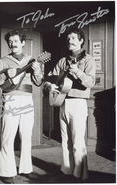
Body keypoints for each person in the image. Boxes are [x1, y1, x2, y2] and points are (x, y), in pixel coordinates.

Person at [0, 29, 44, 183]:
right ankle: (6, 172)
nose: (12, 44)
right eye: (10, 42)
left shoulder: (32, 60)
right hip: (10, 99)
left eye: (16, 41)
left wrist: (38, 70)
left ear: (23, 43)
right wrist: (5, 75)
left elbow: (38, 82)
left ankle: (26, 169)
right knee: (7, 136)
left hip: (27, 100)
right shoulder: (2, 61)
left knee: (26, 137)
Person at [44, 28, 95, 181]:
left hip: (78, 103)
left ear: (81, 41)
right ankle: (67, 172)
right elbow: (50, 79)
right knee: (65, 140)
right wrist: (49, 86)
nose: (70, 41)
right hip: (62, 102)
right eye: (68, 39)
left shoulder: (88, 60)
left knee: (77, 141)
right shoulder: (62, 61)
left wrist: (78, 73)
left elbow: (90, 82)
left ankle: (80, 175)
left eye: (73, 38)